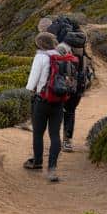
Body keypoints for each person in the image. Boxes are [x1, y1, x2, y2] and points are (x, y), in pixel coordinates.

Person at [25, 31, 63, 182]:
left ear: (40, 44)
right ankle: (52, 169)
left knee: (38, 133)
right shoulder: (60, 55)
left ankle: (37, 162)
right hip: (59, 101)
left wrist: (29, 91)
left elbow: (32, 82)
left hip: (42, 100)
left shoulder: (40, 57)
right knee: (55, 134)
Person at [61, 28, 92, 152]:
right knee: (70, 112)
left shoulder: (65, 53)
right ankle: (67, 140)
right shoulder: (85, 57)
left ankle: (57, 140)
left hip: (64, 88)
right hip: (78, 90)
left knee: (58, 111)